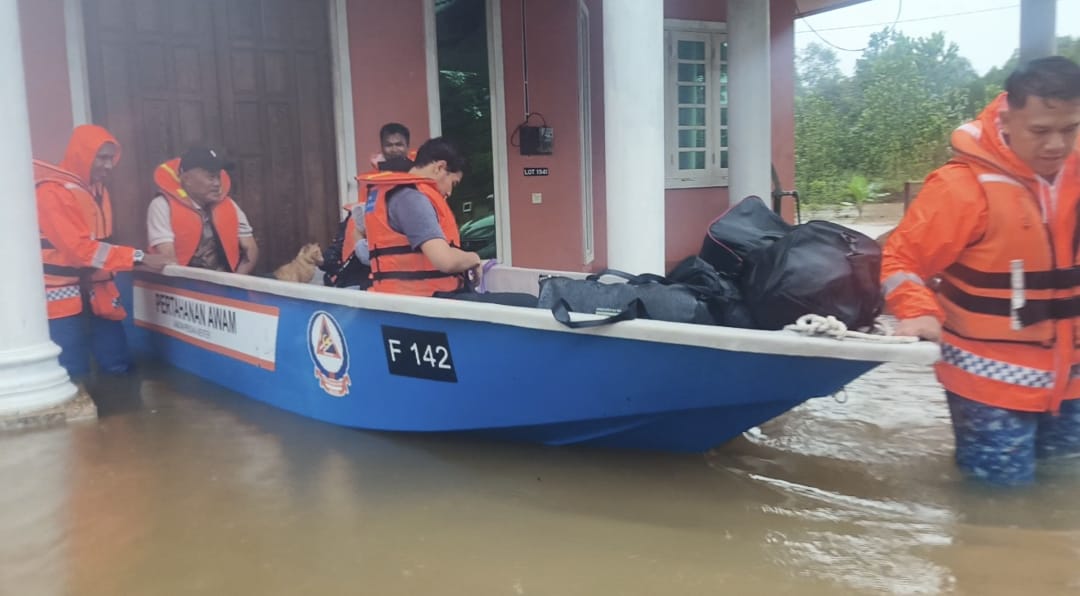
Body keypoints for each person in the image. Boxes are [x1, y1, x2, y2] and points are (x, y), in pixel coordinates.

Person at [882, 56, 1080, 486]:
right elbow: (901, 260)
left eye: (1069, 130)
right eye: (1041, 131)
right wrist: (915, 310)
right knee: (997, 505)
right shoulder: (961, 188)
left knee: (1063, 494)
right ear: (1008, 118)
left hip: (1072, 383)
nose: (1056, 146)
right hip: (988, 384)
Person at [35, 125, 172, 380]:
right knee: (71, 371)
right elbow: (78, 251)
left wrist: (134, 259)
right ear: (82, 154)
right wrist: (138, 258)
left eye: (112, 158)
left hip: (100, 290)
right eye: (102, 158)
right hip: (62, 296)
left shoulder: (98, 191)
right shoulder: (50, 193)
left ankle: (124, 417)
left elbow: (99, 245)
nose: (109, 166)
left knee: (118, 363)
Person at [147, 147, 258, 274]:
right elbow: (168, 259)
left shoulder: (229, 205)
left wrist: (236, 282)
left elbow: (251, 249)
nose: (217, 184)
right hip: (182, 286)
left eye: (218, 177)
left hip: (227, 283)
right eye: (211, 177)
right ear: (187, 179)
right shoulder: (161, 206)